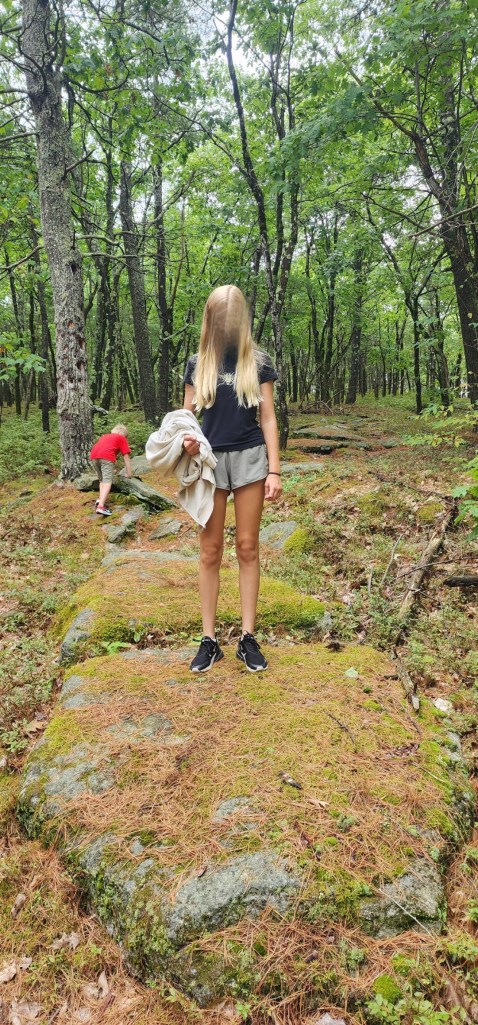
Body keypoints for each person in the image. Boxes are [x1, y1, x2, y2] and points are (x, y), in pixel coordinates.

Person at [183, 284, 282, 673]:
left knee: (247, 547)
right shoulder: (197, 363)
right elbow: (186, 420)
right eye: (219, 321)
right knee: (210, 550)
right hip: (209, 462)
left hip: (250, 459)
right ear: (211, 321)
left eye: (231, 320)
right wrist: (187, 443)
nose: (225, 327)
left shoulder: (258, 362)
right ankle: (209, 640)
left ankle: (247, 638)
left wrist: (274, 469)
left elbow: (268, 418)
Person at [89, 424, 132, 516]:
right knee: (108, 481)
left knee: (102, 480)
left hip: (93, 456)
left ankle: (100, 499)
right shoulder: (121, 438)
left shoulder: (105, 436)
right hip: (106, 457)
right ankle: (101, 506)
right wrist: (129, 474)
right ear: (121, 433)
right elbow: (126, 456)